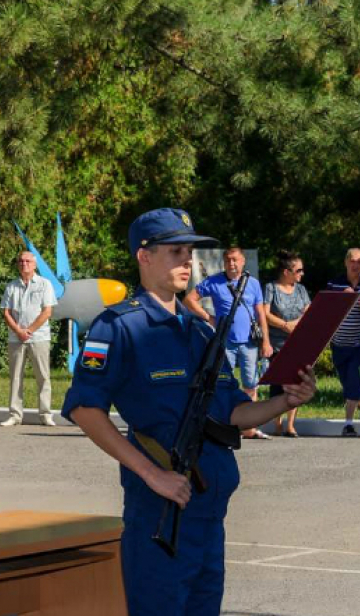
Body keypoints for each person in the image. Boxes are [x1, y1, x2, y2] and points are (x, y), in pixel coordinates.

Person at [62, 207, 316, 616]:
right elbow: (84, 409)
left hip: (209, 517)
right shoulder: (119, 326)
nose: (188, 261)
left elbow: (233, 413)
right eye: (176, 251)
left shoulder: (200, 330)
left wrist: (285, 401)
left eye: (190, 253)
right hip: (160, 515)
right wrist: (152, 474)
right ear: (144, 256)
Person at [184, 247, 274, 439]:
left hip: (248, 342)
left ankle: (249, 427)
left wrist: (266, 341)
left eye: (235, 260)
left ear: (243, 262)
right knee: (223, 382)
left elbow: (261, 314)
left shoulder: (253, 284)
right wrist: (208, 317)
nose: (231, 264)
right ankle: (224, 422)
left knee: (251, 384)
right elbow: (189, 300)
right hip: (225, 342)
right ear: (223, 263)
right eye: (227, 261)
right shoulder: (214, 281)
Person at [0, 250, 58, 427]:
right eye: (21, 261)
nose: (24, 264)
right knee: (16, 377)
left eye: (27, 261)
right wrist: (18, 330)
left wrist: (29, 330)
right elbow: (5, 311)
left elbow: (47, 311)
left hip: (39, 337)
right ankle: (15, 415)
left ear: (35, 264)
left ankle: (46, 414)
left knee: (43, 376)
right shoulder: (11, 286)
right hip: (16, 338)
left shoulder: (44, 284)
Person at [264, 251, 311, 437]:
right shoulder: (271, 288)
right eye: (299, 270)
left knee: (296, 383)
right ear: (286, 272)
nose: (302, 273)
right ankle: (277, 423)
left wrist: (297, 324)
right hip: (277, 344)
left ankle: (290, 425)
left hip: (298, 343)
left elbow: (309, 311)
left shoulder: (301, 290)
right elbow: (265, 313)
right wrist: (285, 325)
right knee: (278, 385)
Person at [326, 249, 360, 437]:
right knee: (347, 383)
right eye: (353, 261)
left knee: (354, 382)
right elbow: (325, 310)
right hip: (339, 344)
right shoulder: (334, 284)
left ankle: (348, 424)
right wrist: (341, 300)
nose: (356, 265)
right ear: (346, 262)